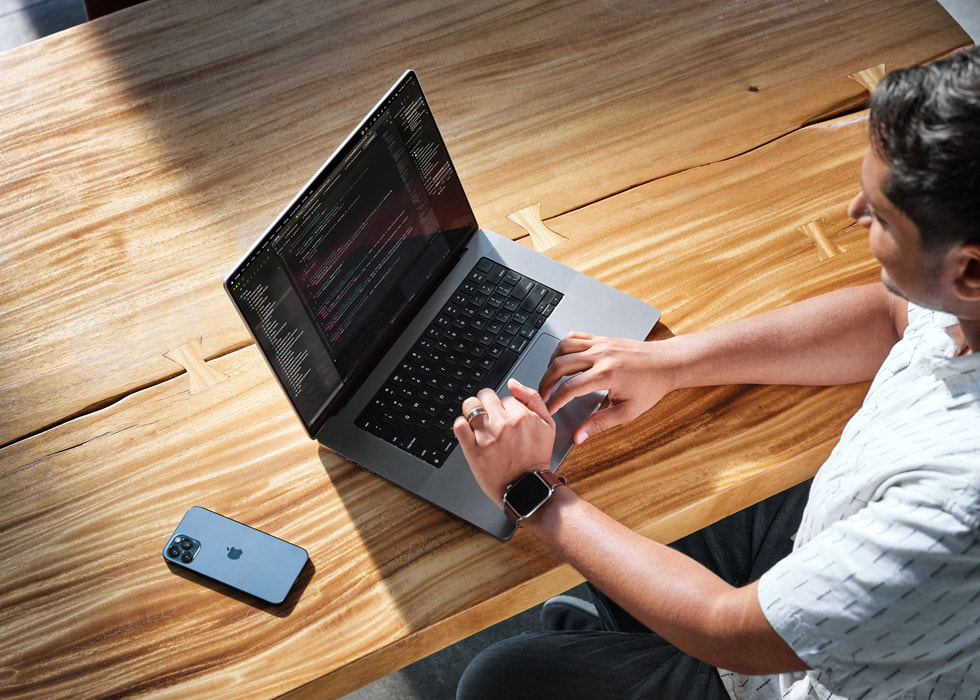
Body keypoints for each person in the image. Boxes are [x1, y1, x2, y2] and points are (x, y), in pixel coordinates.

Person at [453, 46, 980, 699]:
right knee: (647, 488)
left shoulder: (956, 506)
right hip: (837, 538)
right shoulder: (962, 306)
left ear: (970, 270)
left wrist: (528, 490)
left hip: (789, 675)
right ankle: (606, 631)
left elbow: (725, 628)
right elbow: (893, 316)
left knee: (501, 680)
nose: (852, 212)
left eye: (881, 213)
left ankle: (598, 637)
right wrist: (672, 362)